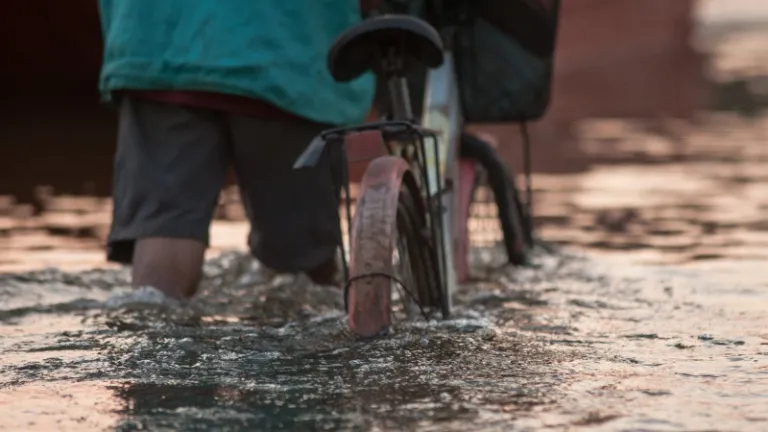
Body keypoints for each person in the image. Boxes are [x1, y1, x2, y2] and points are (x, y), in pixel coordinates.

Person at [98, 0, 374, 302]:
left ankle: (153, 331)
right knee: (303, 266)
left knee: (164, 232)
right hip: (286, 52)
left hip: (157, 43)